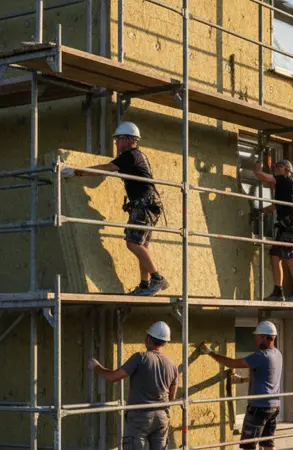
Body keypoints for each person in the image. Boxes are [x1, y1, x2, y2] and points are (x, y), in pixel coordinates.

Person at [62, 122, 168, 296]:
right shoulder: (138, 156)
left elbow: (107, 168)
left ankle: (157, 278)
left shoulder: (129, 155)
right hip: (149, 205)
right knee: (142, 246)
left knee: (133, 243)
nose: (116, 144)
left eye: (118, 140)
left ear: (127, 140)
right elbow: (108, 173)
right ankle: (144, 284)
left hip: (143, 205)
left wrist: (75, 171)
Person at [89, 321, 178, 450]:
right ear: (165, 342)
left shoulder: (140, 358)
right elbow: (171, 397)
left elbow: (113, 377)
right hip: (162, 417)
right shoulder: (172, 365)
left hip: (139, 416)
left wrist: (96, 367)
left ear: (148, 338)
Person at [197, 321, 283, 450]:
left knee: (248, 446)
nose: (255, 340)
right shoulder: (277, 354)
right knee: (267, 443)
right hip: (274, 406)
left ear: (266, 337)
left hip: (259, 407)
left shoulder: (261, 356)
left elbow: (232, 363)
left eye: (257, 337)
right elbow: (266, 377)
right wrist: (242, 380)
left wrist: (210, 352)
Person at [253, 159, 293, 302]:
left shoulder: (286, 180)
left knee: (288, 255)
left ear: (287, 170)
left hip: (291, 225)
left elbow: (263, 177)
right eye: (275, 167)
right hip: (284, 226)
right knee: (275, 256)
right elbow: (275, 206)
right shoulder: (283, 188)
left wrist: (258, 169)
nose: (276, 169)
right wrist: (261, 211)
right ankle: (278, 291)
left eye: (279, 167)